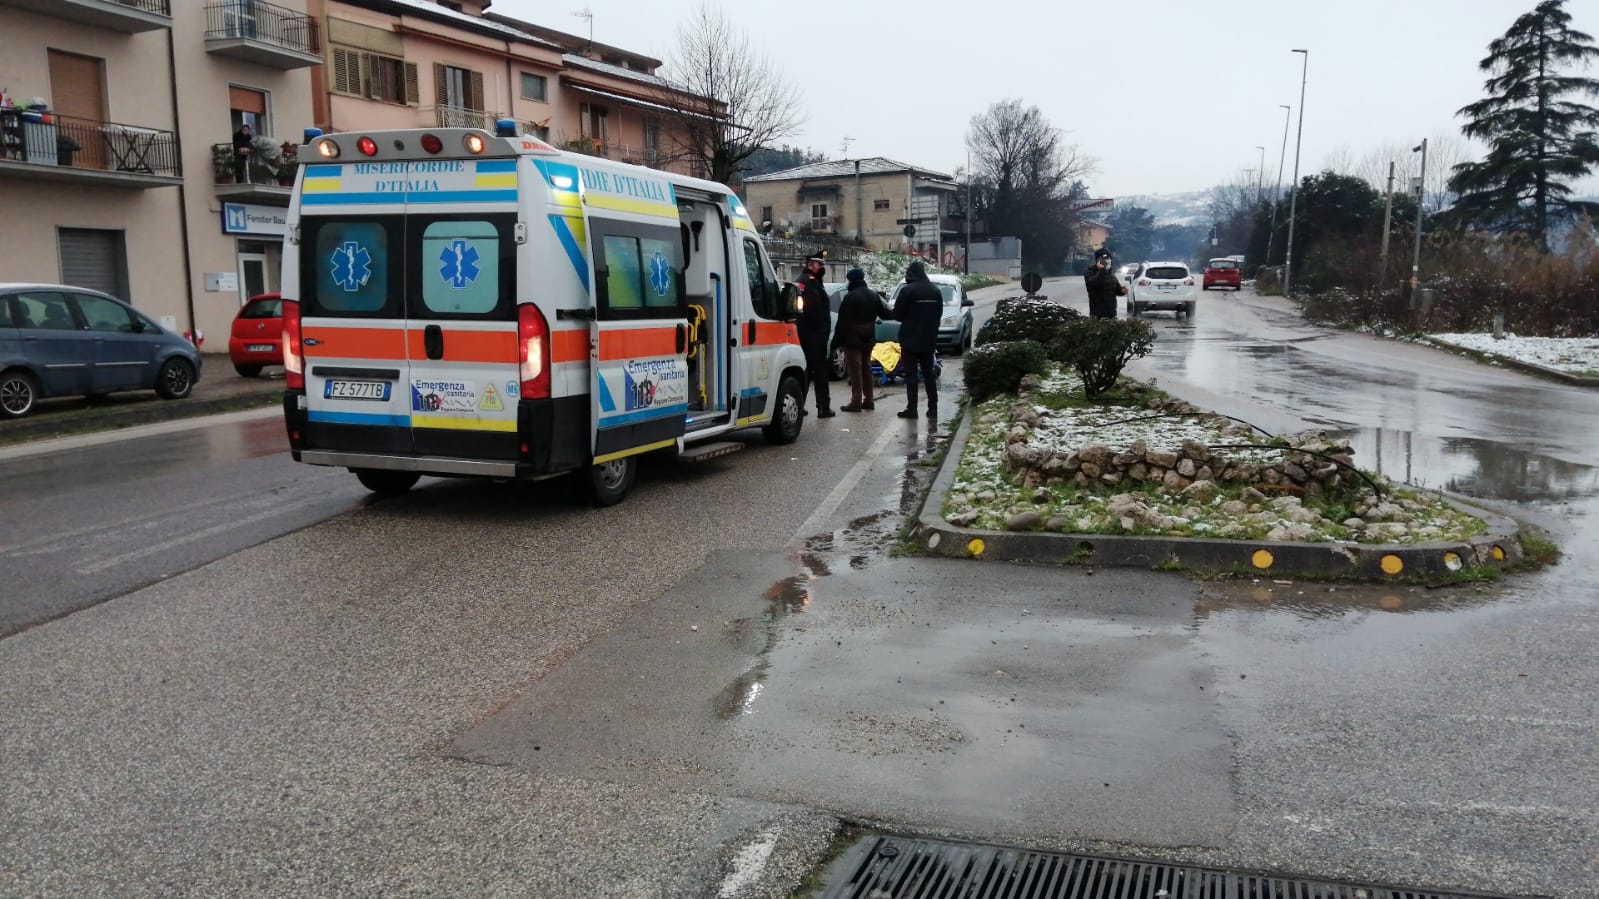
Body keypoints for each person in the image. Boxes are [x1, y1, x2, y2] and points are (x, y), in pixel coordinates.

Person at [893, 260, 943, 420]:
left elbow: (898, 314)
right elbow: (939, 314)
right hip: (928, 340)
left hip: (909, 340)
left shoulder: (908, 290)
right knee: (929, 375)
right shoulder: (935, 290)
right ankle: (933, 409)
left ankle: (912, 409)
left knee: (911, 375)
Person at [831, 268, 881, 412]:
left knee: (855, 370)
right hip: (869, 337)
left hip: (853, 340)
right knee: (866, 367)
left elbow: (842, 323)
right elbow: (885, 313)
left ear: (851, 280)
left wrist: (835, 342)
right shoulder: (873, 295)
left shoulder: (851, 297)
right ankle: (869, 400)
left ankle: (856, 401)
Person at [795, 250, 834, 419]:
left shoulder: (800, 281)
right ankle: (823, 407)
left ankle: (799, 406)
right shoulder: (812, 284)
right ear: (812, 265)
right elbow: (816, 311)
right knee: (819, 372)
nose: (822, 269)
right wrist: (822, 331)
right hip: (814, 335)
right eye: (820, 265)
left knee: (804, 371)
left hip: (802, 333)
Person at [1083, 248, 1126, 319]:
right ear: (1098, 261)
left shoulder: (1110, 274)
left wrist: (1122, 291)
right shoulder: (1090, 272)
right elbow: (1093, 283)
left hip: (1111, 315)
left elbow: (1116, 289)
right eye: (1105, 259)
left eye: (1109, 259)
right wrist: (1102, 270)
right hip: (1097, 316)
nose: (1108, 262)